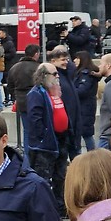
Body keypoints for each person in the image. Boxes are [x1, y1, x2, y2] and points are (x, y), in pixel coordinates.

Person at [25, 63, 73, 206]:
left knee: (60, 176)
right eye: (54, 74)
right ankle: (44, 207)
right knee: (44, 178)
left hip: (61, 139)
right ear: (44, 76)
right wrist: (43, 137)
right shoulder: (36, 93)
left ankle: (60, 206)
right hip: (47, 144)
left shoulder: (55, 91)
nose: (57, 76)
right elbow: (34, 120)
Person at [71, 52, 100, 154]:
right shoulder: (79, 72)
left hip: (85, 107)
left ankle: (92, 155)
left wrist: (70, 91)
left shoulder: (86, 74)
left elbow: (82, 91)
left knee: (86, 134)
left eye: (77, 58)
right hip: (83, 107)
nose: (74, 60)